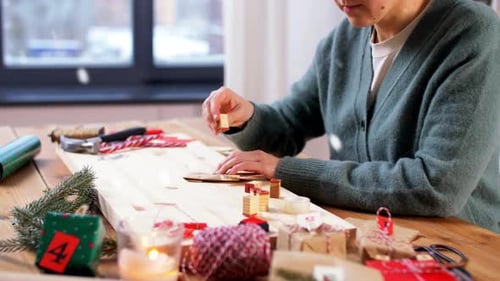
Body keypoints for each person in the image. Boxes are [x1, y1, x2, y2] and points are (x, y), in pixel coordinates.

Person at [202, 0, 500, 233]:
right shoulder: (343, 40)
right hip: (369, 237)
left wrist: (287, 171)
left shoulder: (472, 32)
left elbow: (436, 186)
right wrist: (246, 117)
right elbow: (288, 126)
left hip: (461, 249)